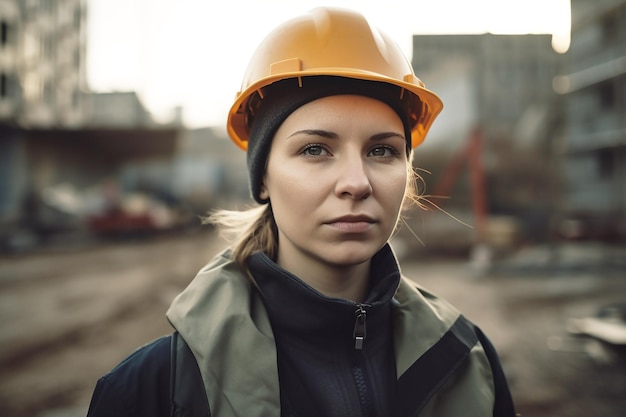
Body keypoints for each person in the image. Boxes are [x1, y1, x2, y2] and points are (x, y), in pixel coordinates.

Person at [86, 7, 516, 417]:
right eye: (315, 149)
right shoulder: (151, 393)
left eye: (382, 150)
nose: (357, 182)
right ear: (263, 179)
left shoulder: (468, 361)